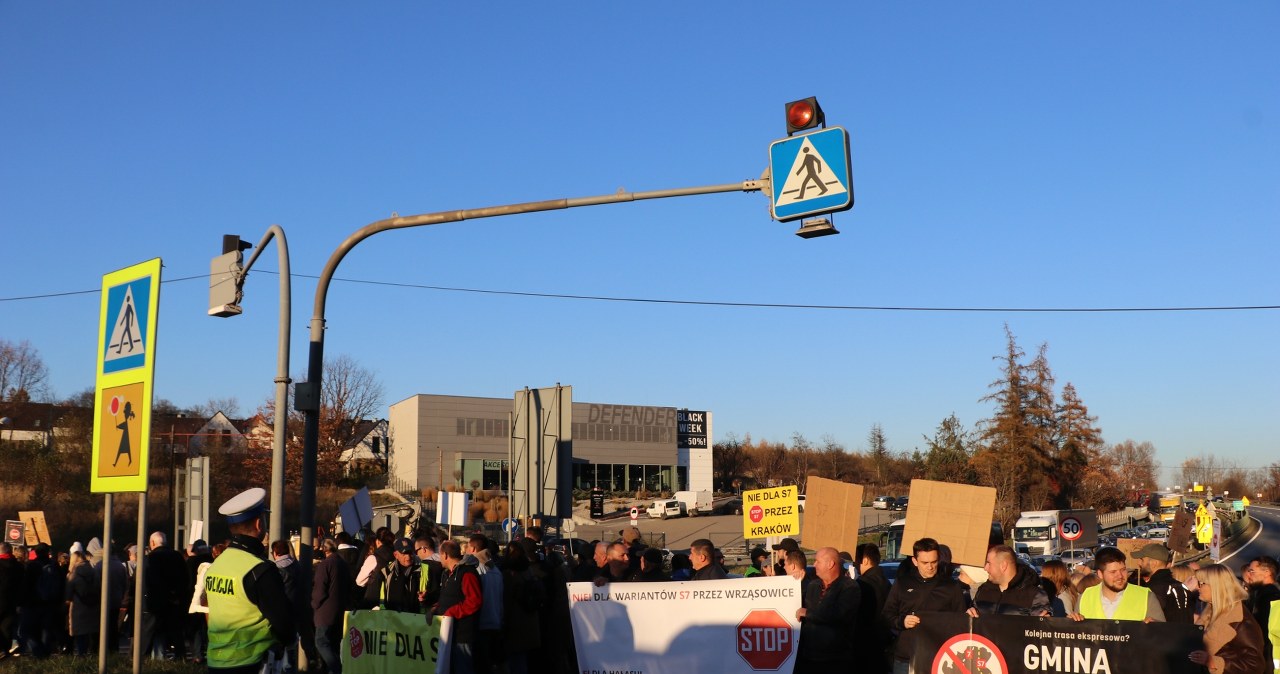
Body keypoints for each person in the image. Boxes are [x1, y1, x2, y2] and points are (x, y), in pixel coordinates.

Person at [204, 487, 296, 673]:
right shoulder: (260, 569)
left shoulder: (216, 565)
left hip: (216, 661)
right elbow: (283, 624)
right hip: (252, 662)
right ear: (258, 524)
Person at [882, 537, 966, 674]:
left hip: (939, 655)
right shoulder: (902, 583)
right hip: (906, 657)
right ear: (915, 561)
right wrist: (902, 621)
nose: (930, 566)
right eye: (925, 562)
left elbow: (960, 620)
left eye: (934, 562)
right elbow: (886, 615)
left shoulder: (951, 587)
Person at [1188, 563, 1266, 674]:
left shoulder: (1241, 621)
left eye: (1201, 583)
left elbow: (1255, 665)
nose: (1197, 587)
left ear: (1216, 586)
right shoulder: (1210, 613)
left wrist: (1213, 662)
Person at [794, 547, 860, 672]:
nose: (814, 564)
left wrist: (808, 613)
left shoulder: (849, 587)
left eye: (817, 561)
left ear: (830, 564)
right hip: (810, 657)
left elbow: (838, 615)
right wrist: (798, 584)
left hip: (835, 660)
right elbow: (798, 609)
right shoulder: (813, 585)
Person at [1069, 546, 1164, 622]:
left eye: (1123, 570)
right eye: (1113, 572)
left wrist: (1154, 627)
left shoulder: (1146, 597)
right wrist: (1071, 622)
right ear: (1100, 574)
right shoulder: (1085, 597)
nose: (1120, 576)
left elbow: (1163, 637)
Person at [432, 540, 482, 674]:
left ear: (446, 555)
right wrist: (435, 608)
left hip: (462, 634)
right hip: (449, 634)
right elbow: (450, 598)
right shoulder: (448, 574)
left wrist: (451, 612)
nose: (439, 558)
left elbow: (474, 601)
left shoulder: (467, 573)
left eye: (440, 554)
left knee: (462, 668)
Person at [140, 531, 190, 661]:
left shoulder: (150, 558)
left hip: (154, 602)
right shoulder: (177, 557)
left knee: (152, 632)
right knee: (176, 632)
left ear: (152, 543)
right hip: (175, 602)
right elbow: (185, 579)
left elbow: (144, 581)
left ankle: (148, 660)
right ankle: (181, 659)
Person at [969, 545, 1051, 617]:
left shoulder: (1034, 595)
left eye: (989, 563)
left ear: (1003, 566)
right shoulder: (983, 590)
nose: (985, 568)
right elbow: (972, 623)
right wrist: (969, 615)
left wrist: (1043, 623)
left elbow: (1039, 630)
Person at [312, 538, 350, 674]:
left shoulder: (325, 565)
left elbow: (319, 589)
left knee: (321, 642)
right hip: (339, 609)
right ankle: (333, 670)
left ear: (324, 549)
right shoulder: (343, 564)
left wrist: (314, 604)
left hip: (325, 611)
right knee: (333, 643)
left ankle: (337, 669)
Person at [853, 543, 891, 674]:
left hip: (865, 645)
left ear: (865, 560)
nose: (854, 565)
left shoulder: (862, 584)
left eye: (856, 561)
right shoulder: (886, 582)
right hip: (884, 644)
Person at [1133, 543, 1195, 624]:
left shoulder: (1153, 589)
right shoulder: (1181, 586)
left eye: (1142, 560)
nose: (1139, 563)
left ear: (1154, 563)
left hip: (1163, 635)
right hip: (1185, 635)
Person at [1243, 556, 1280, 670]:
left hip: (1269, 660)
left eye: (1252, 571)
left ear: (1267, 572)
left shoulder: (1271, 598)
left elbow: (1265, 632)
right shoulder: (1260, 594)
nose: (1249, 575)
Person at [66, 551, 97, 657]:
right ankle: (87, 652)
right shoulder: (93, 571)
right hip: (92, 605)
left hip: (78, 605)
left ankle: (81, 654)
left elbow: (68, 593)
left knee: (79, 631)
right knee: (88, 631)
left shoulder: (74, 574)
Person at [414, 535, 444, 609]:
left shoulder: (425, 565)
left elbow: (422, 589)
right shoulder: (444, 562)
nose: (416, 554)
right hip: (443, 604)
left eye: (416, 551)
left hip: (430, 606)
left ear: (423, 549)